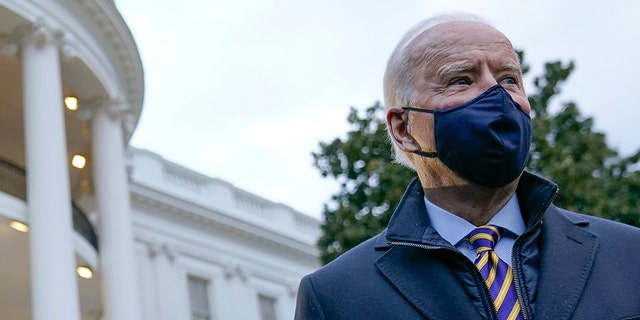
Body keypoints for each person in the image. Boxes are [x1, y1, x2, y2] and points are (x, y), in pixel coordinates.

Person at [294, 12, 640, 320]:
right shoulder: (336, 298)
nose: (497, 95)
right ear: (403, 129)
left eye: (509, 79)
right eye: (461, 79)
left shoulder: (629, 255)